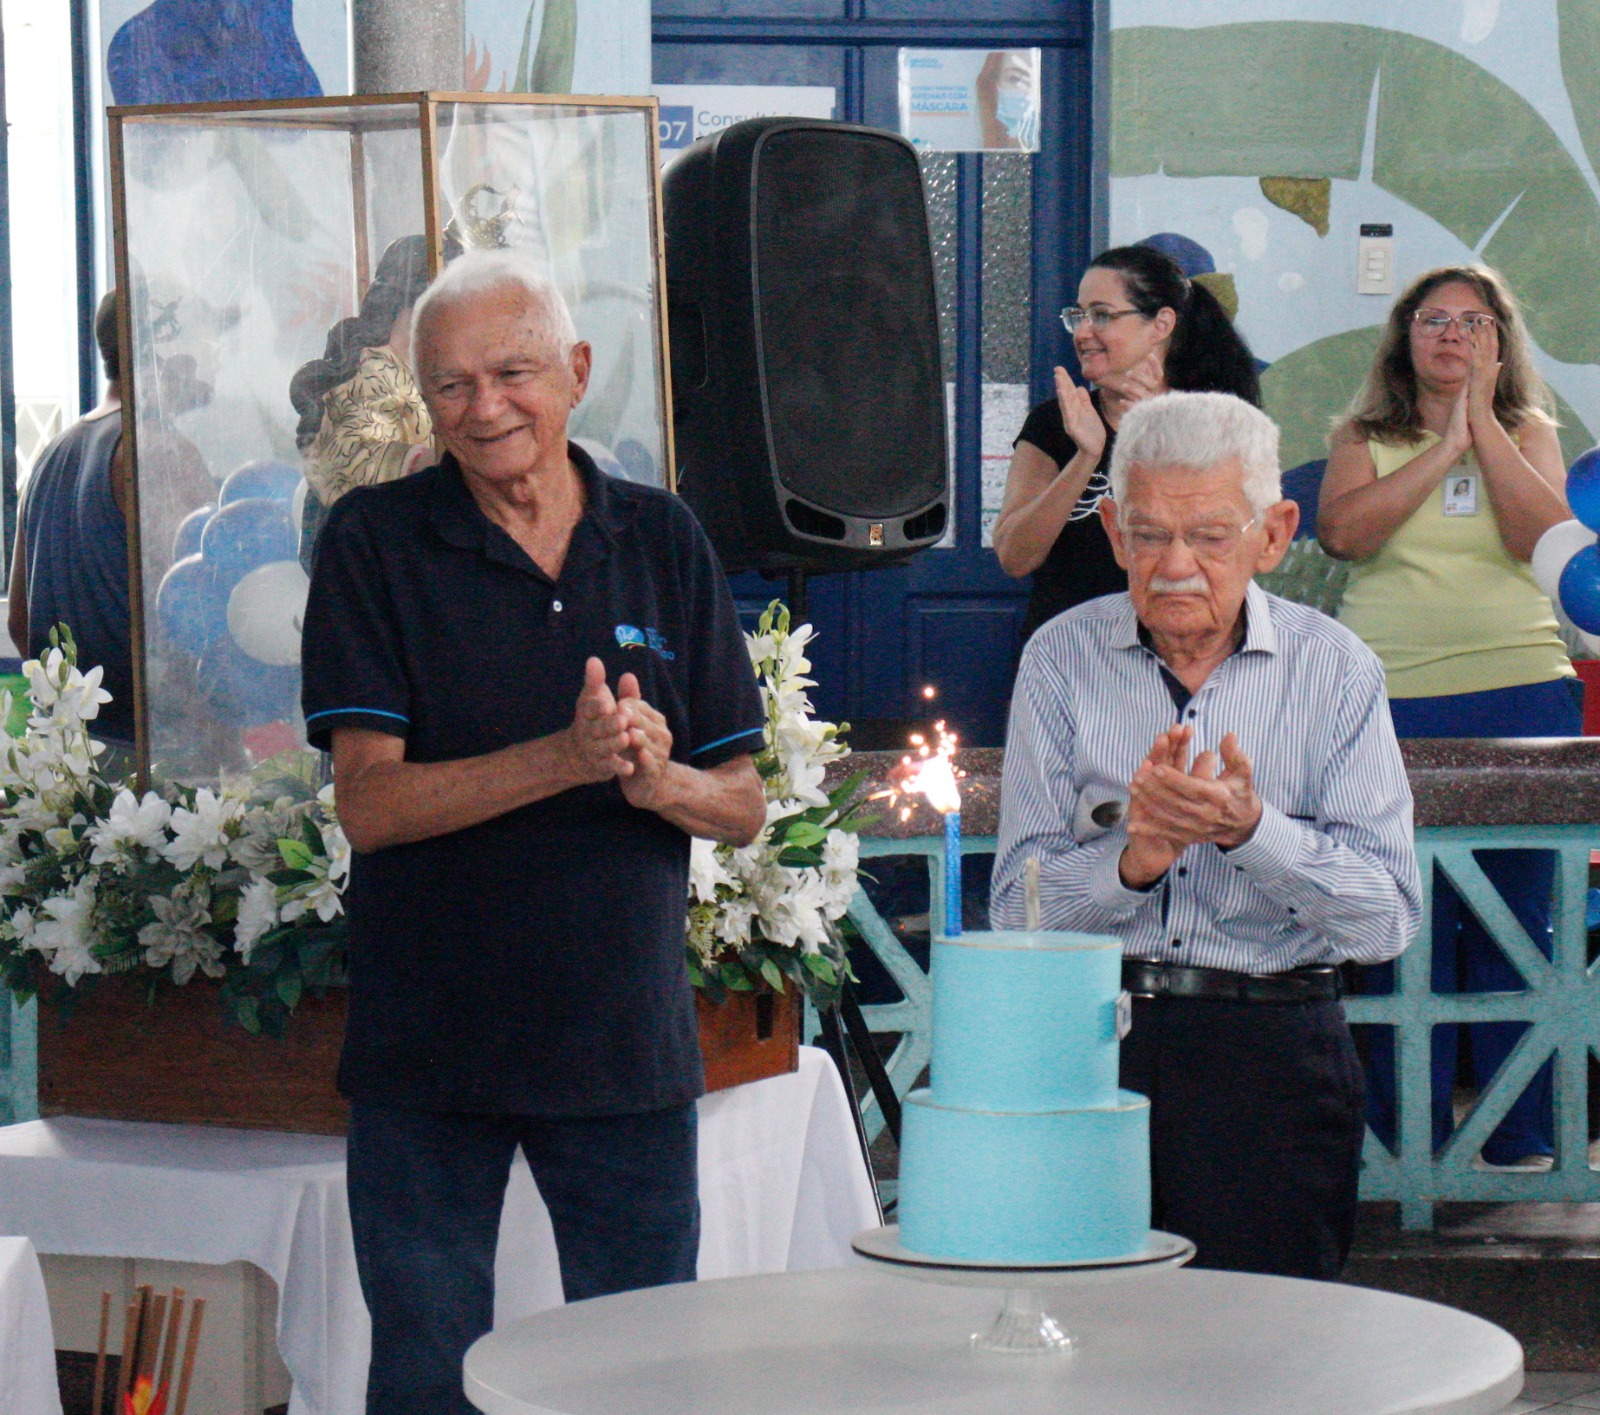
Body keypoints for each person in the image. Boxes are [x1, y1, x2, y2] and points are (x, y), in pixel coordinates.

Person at [299, 249, 767, 1413]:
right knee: (425, 1375)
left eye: (512, 371)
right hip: (429, 1054)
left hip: (622, 1047)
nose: (484, 406)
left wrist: (664, 788)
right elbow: (369, 802)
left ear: (577, 372)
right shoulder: (373, 543)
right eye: (449, 384)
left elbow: (744, 801)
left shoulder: (661, 538)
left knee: (643, 1374)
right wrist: (564, 759)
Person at [991, 391, 1421, 1279]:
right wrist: (1134, 862)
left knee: (1261, 1357)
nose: (1175, 564)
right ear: (1112, 531)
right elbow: (1013, 907)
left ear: (1274, 533)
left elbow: (1385, 920)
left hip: (1272, 1053)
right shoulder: (1061, 659)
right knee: (1087, 1346)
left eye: (1211, 536)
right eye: (1148, 535)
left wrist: (1251, 830)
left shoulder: (1335, 669)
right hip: (1092, 1046)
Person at [1317, 265, 1575, 1169]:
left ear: (1499, 342)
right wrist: (1443, 443)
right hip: (1389, 696)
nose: (1453, 336)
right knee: (1399, 921)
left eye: (1474, 323)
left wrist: (1487, 427)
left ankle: (1521, 1137)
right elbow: (1347, 535)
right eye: (1435, 320)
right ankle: (1398, 1138)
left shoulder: (1531, 432)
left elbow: (1534, 540)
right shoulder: (1362, 434)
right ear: (1405, 335)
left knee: (1517, 918)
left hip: (1521, 688)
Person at [992, 243, 1261, 644]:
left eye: (1102, 315)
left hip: (1185, 653)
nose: (1083, 332)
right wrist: (1086, 456)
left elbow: (1241, 547)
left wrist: (1162, 430)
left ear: (1161, 324)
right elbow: (1015, 557)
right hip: (1069, 658)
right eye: (1078, 316)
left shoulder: (1217, 421)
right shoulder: (1055, 423)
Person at [8, 289, 209, 748]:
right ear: (160, 350)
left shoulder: (48, 455)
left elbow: (22, 624)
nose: (207, 357)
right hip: (154, 761)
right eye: (201, 338)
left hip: (68, 752)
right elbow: (197, 616)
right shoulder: (160, 453)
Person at [288, 234, 435, 572]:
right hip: (363, 554)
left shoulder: (427, 375)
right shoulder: (367, 370)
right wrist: (428, 463)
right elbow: (350, 454)